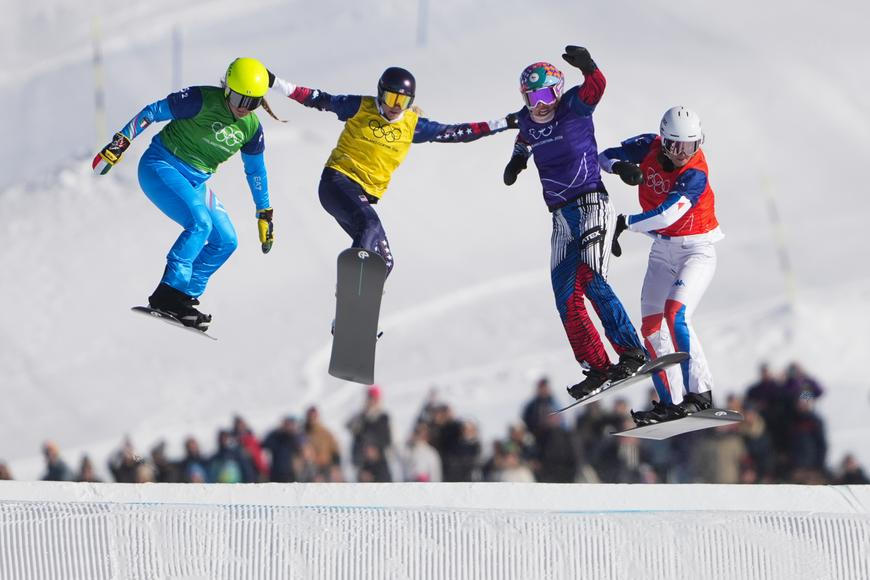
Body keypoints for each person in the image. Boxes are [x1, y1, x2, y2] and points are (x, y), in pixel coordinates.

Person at [267, 66, 516, 278]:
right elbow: (317, 98)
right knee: (370, 223)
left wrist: (504, 123)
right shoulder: (360, 106)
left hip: (363, 194)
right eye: (391, 98)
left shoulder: (412, 125)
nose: (396, 107)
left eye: (403, 102)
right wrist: (275, 83)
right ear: (380, 93)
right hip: (338, 182)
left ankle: (348, 317)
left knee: (383, 262)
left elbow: (457, 133)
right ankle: (354, 286)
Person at [502, 46, 646, 399]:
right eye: (532, 96)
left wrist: (590, 67)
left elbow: (596, 88)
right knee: (564, 294)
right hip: (561, 217)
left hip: (591, 202)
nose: (541, 103)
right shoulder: (526, 119)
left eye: (547, 93)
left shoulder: (572, 107)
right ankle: (597, 365)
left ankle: (631, 351)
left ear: (558, 90)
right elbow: (524, 136)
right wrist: (518, 159)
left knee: (590, 276)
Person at [92, 57, 278, 331]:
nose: (243, 107)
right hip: (161, 165)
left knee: (226, 241)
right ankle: (166, 295)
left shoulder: (251, 128)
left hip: (195, 181)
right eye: (239, 98)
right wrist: (121, 142)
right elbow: (152, 111)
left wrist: (264, 213)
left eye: (253, 103)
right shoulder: (200, 99)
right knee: (200, 223)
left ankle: (183, 298)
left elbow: (256, 172)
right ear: (227, 88)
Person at [598, 106, 723, 423]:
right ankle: (672, 402)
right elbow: (603, 157)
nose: (685, 153)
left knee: (676, 313)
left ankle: (701, 394)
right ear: (665, 141)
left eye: (692, 146)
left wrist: (625, 222)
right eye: (678, 146)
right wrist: (621, 166)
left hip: (696, 249)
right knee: (651, 327)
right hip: (662, 249)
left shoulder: (695, 172)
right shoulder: (649, 145)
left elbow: (668, 214)